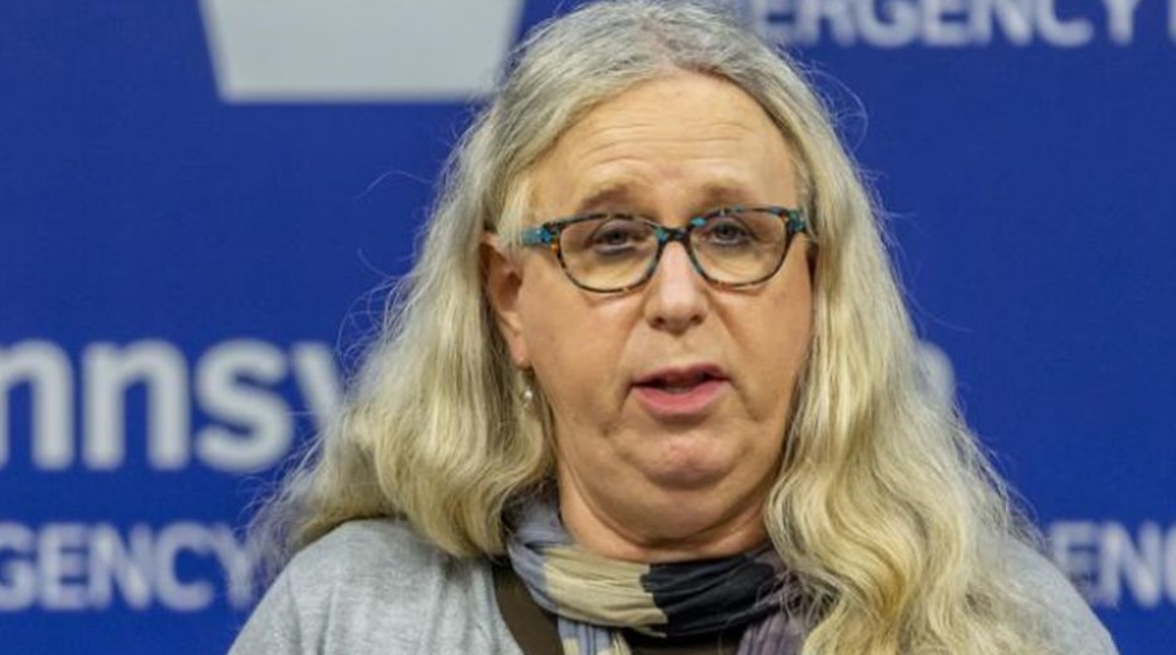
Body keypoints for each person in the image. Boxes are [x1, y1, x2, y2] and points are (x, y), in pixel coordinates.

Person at [228, 1, 1117, 653]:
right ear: (510, 298)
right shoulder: (347, 618)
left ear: (815, 282)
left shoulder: (1005, 626)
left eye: (733, 232)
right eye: (612, 239)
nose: (679, 296)